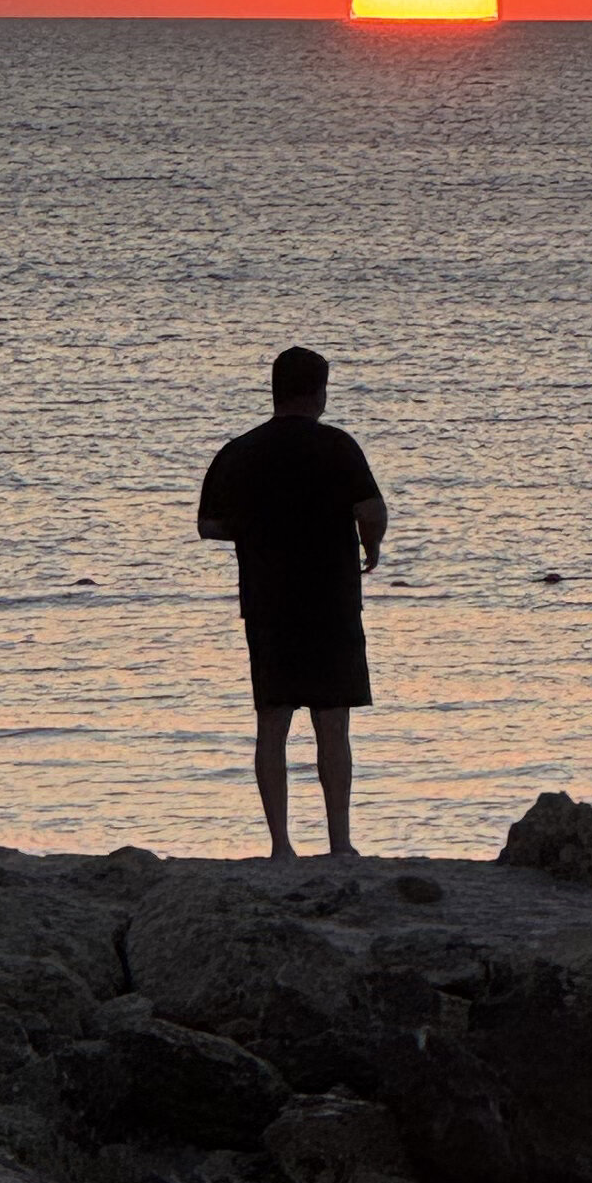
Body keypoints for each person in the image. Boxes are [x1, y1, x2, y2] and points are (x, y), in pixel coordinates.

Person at [197, 348, 390, 860]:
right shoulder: (338, 446)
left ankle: (281, 845)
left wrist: (257, 528)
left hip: (268, 602)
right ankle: (339, 842)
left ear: (276, 390)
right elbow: (371, 510)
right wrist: (371, 546)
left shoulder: (239, 452)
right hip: (331, 601)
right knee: (333, 724)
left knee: (272, 723)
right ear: (319, 393)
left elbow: (208, 525)